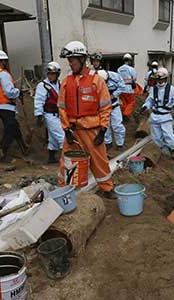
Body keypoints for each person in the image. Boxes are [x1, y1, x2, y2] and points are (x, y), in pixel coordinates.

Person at [58, 41, 116, 198]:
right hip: (73, 131)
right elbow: (62, 108)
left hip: (92, 130)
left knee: (99, 162)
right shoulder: (66, 82)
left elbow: (105, 107)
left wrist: (103, 130)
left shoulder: (97, 81)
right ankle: (65, 190)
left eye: (72, 60)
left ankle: (107, 188)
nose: (70, 64)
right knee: (67, 163)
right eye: (69, 61)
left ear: (82, 59)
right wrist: (66, 130)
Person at [0, 49, 28, 163]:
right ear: (2, 61)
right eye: (5, 61)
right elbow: (9, 92)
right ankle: (2, 153)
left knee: (14, 126)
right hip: (7, 106)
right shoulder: (3, 74)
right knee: (9, 130)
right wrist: (18, 92)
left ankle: (24, 147)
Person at [141, 67, 174, 160]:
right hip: (155, 116)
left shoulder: (172, 90)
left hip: (165, 117)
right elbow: (150, 101)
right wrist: (145, 106)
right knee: (156, 137)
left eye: (162, 80)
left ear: (166, 79)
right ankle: (161, 151)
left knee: (169, 136)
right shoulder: (153, 89)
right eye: (158, 80)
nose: (160, 82)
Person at [34, 61, 64, 164]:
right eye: (49, 74)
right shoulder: (42, 86)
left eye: (53, 74)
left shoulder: (59, 84)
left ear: (57, 74)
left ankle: (51, 157)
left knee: (53, 137)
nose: (51, 76)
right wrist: (39, 115)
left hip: (59, 114)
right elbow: (39, 100)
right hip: (49, 115)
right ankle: (67, 159)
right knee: (61, 136)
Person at [98, 69, 127, 151]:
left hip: (114, 105)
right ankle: (108, 143)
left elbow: (122, 87)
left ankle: (120, 144)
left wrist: (113, 95)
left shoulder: (115, 77)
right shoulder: (96, 79)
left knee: (117, 125)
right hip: (103, 107)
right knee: (105, 126)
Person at [117, 53, 138, 120]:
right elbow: (134, 80)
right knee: (132, 101)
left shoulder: (119, 69)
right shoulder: (131, 69)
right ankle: (126, 114)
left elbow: (117, 79)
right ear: (130, 61)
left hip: (121, 89)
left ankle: (123, 114)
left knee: (124, 102)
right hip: (129, 89)